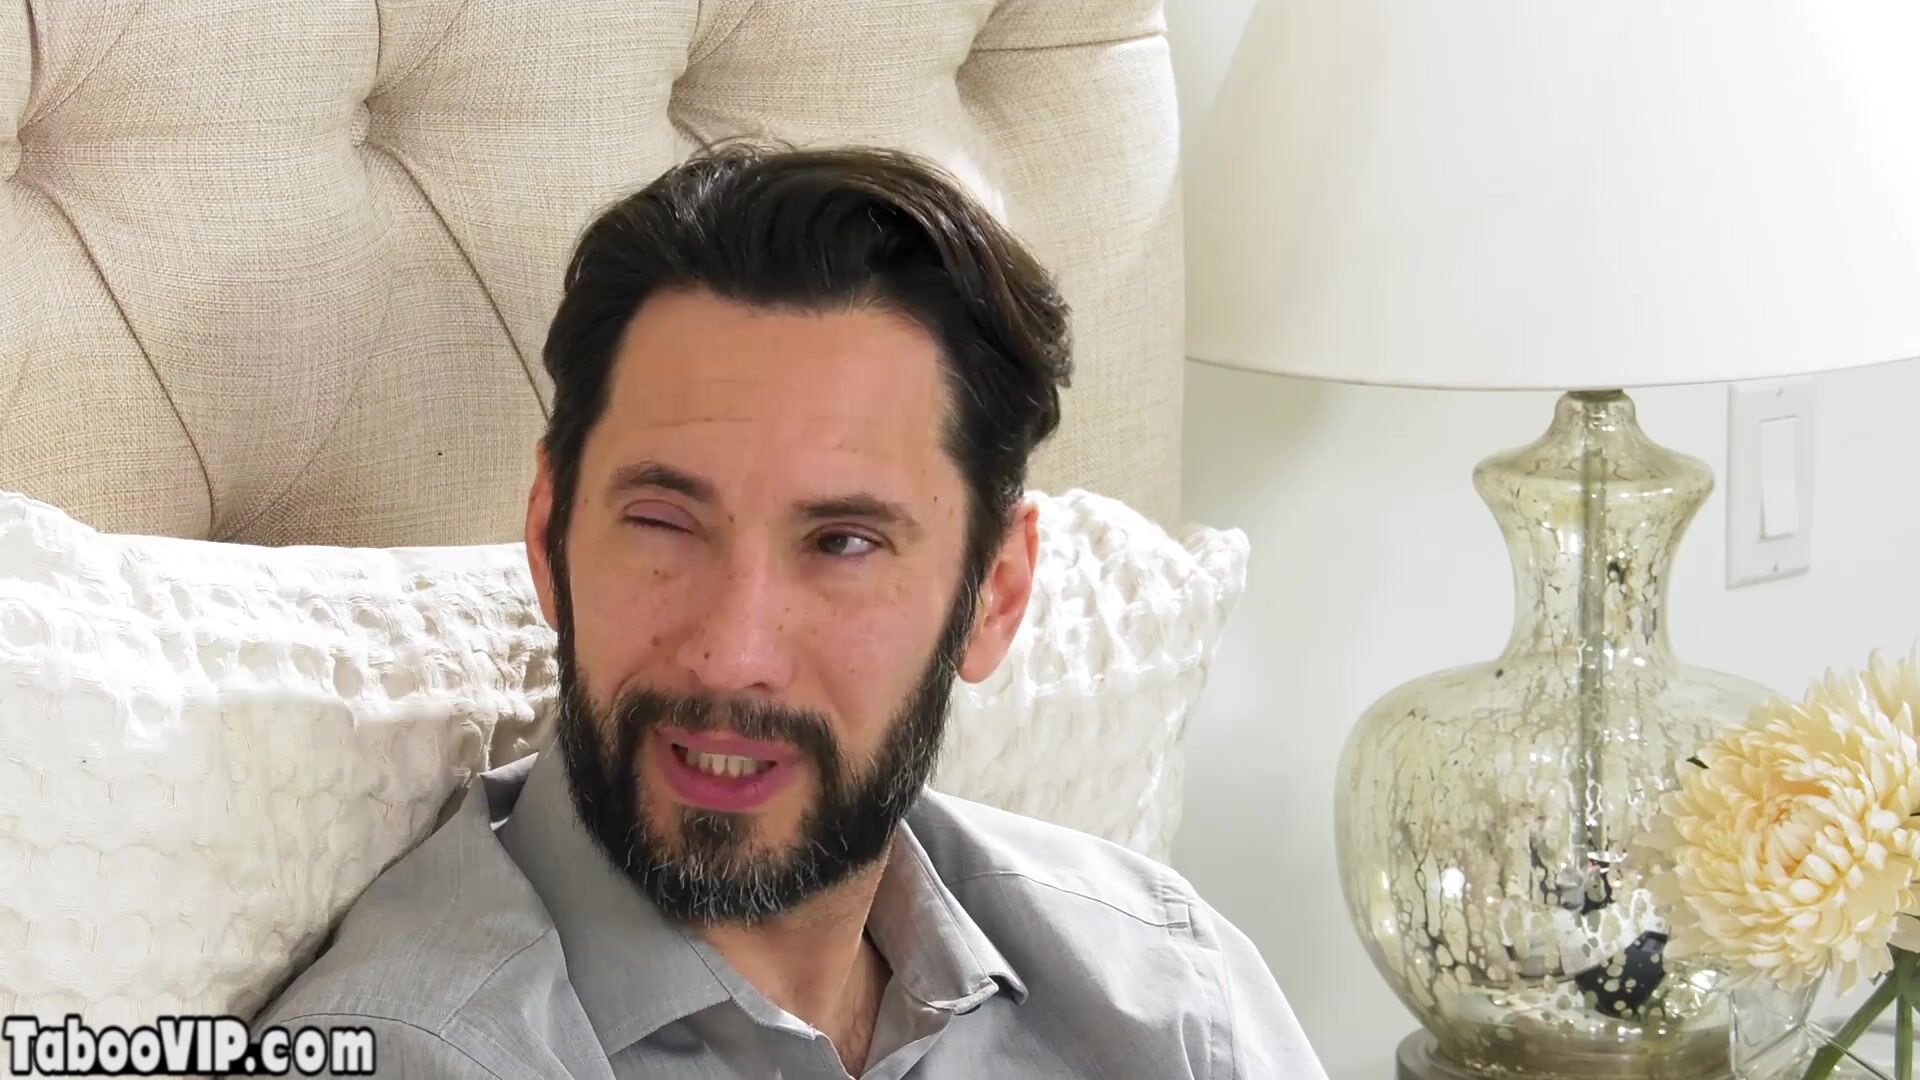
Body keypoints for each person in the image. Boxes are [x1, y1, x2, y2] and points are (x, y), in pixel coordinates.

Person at [250, 145, 1328, 1079]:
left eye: (843, 544)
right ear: (549, 535)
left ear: (994, 595)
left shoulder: (1173, 990)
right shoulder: (419, 1051)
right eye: (664, 523)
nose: (732, 654)